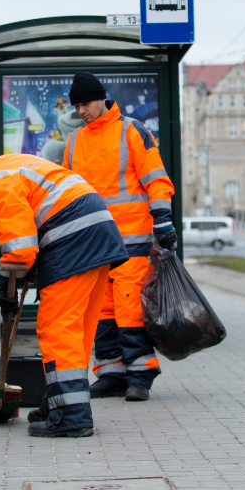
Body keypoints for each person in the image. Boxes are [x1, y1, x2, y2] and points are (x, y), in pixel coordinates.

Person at [0, 148, 128, 438]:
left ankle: (72, 417)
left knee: (57, 328)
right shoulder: (7, 165)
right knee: (78, 329)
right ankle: (58, 400)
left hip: (72, 239)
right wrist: (25, 268)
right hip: (97, 232)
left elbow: (20, 249)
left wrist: (7, 277)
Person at [61, 72, 176, 403]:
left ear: (102, 98)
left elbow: (156, 178)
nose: (81, 110)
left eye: (85, 103)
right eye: (76, 105)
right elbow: (69, 193)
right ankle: (110, 373)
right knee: (101, 309)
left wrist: (163, 220)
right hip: (94, 243)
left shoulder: (131, 131)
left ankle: (140, 375)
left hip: (132, 238)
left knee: (129, 307)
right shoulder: (74, 142)